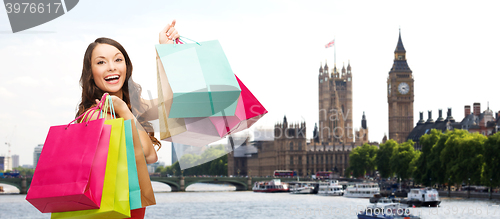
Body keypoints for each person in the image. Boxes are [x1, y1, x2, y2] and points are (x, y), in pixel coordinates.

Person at [75, 20, 180, 218]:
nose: (111, 67)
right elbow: (149, 155)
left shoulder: (132, 106)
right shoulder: (95, 115)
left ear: (126, 66)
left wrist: (163, 53)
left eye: (117, 60)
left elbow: (170, 103)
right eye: (100, 62)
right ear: (91, 74)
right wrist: (125, 112)